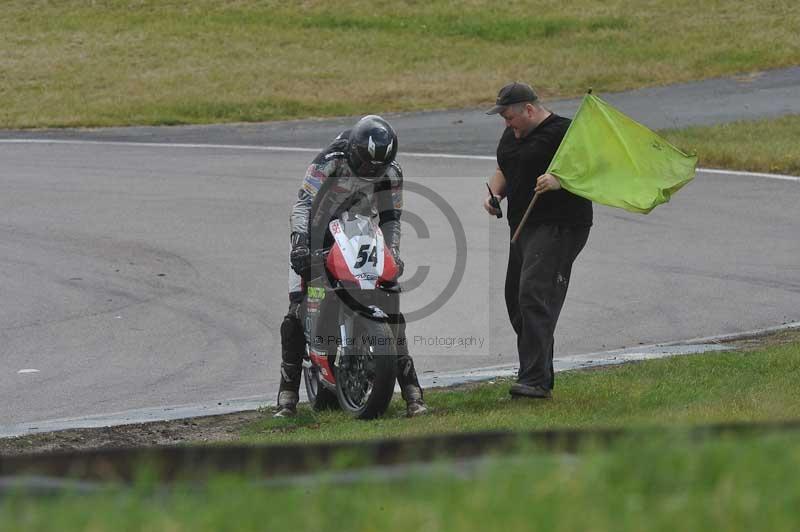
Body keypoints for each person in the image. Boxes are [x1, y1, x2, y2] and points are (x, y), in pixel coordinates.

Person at [274, 114, 428, 418]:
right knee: (295, 310)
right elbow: (303, 202)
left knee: (389, 301)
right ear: (355, 151)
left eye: (377, 167)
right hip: (316, 234)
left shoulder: (392, 172)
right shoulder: (330, 160)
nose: (371, 171)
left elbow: (391, 218)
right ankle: (287, 395)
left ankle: (412, 390)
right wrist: (300, 244)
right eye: (365, 164)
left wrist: (393, 252)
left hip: (358, 233)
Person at [484, 82, 592, 399]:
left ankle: (534, 381)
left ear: (529, 110)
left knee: (534, 293)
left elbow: (591, 169)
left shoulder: (564, 133)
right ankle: (539, 371)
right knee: (515, 300)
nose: (506, 124)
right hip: (523, 227)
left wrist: (560, 180)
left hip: (560, 226)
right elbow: (506, 167)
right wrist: (494, 194)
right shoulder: (513, 135)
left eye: (509, 117)